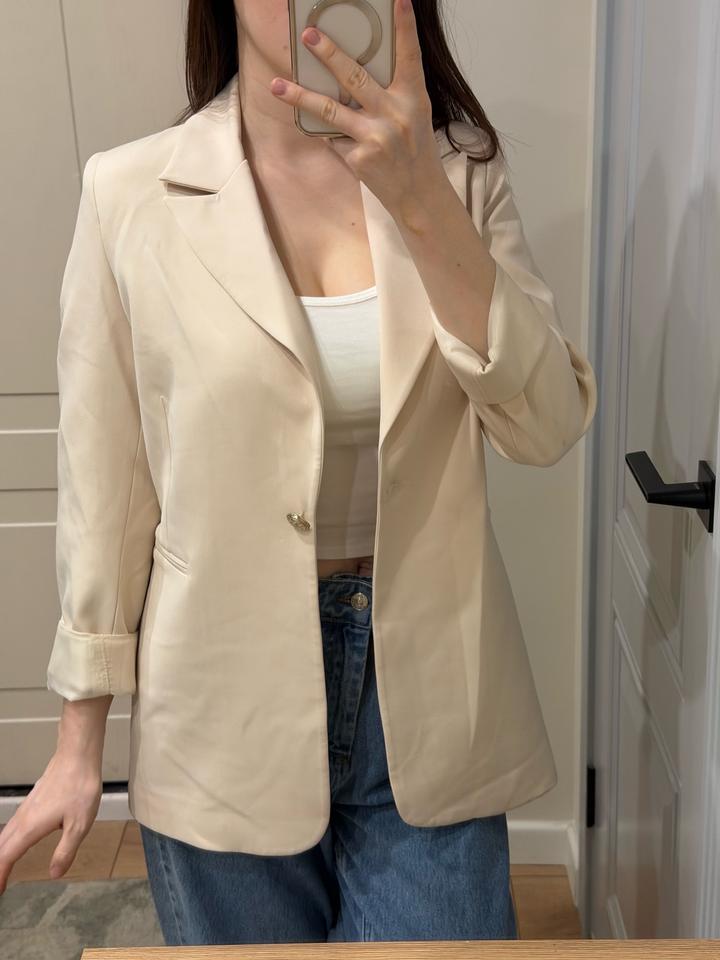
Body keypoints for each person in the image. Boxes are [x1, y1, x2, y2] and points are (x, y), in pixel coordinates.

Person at [0, 0, 598, 946]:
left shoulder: (458, 173)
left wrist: (421, 201)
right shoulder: (131, 194)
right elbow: (106, 486)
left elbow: (547, 425)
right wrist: (80, 740)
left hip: (431, 687)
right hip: (217, 697)